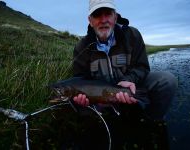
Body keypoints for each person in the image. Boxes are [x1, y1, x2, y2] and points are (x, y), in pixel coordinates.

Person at [72, 0, 177, 149]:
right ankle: (102, 119)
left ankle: (151, 120)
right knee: (77, 103)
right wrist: (89, 101)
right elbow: (80, 79)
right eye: (97, 15)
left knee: (167, 80)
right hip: (100, 98)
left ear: (115, 16)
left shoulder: (132, 35)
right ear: (90, 20)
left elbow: (142, 67)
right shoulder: (82, 47)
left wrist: (128, 80)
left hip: (130, 88)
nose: (103, 20)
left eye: (108, 13)